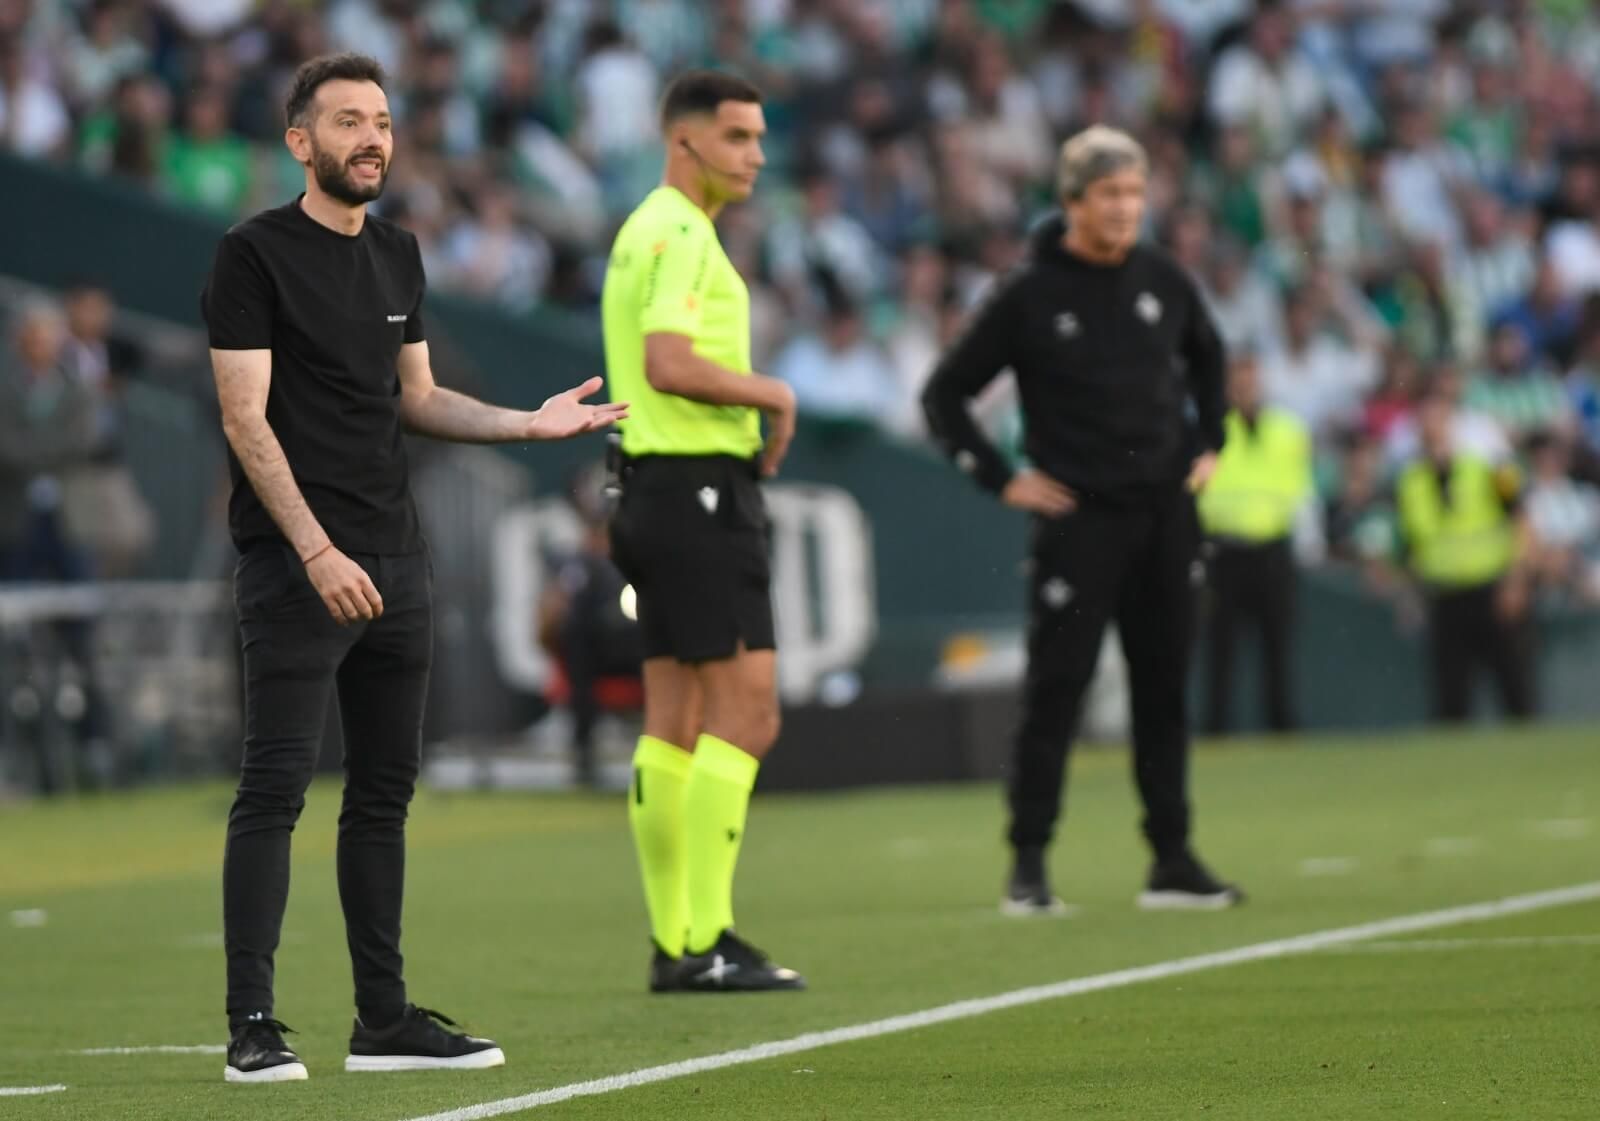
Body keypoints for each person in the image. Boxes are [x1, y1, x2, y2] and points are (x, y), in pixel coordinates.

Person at [201, 52, 626, 1084]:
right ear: (300, 142)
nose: (371, 138)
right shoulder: (251, 254)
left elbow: (419, 397)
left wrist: (529, 423)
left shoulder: (398, 252)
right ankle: (251, 1025)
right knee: (275, 786)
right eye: (347, 120)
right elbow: (244, 419)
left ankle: (381, 1019)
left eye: (382, 120)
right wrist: (313, 549)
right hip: (298, 562)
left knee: (385, 793)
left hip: (399, 555)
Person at [922, 125, 1244, 915]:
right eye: (1110, 193)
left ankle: (1171, 857)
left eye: (1135, 193)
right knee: (1057, 689)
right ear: (1071, 202)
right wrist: (1002, 479)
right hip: (1080, 518)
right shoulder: (1029, 293)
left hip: (1165, 512)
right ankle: (1028, 864)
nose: (1126, 208)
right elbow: (945, 395)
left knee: (1164, 687)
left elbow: (1211, 357)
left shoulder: (1163, 277)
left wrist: (1211, 441)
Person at [601, 70, 805, 992]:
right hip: (696, 491)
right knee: (747, 713)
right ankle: (705, 936)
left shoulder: (645, 228)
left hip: (648, 489)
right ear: (685, 142)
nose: (755, 155)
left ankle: (675, 937)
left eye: (759, 138)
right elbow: (668, 362)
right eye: (737, 138)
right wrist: (771, 390)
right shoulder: (681, 232)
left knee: (674, 719)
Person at [1395, 391, 1537, 722]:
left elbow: (1522, 520)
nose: (1432, 427)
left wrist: (1516, 582)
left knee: (1516, 692)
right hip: (1444, 595)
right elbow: (1411, 546)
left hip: (1492, 590)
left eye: (1438, 418)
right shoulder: (1409, 481)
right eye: (1425, 419)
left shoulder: (1488, 467)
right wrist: (1409, 594)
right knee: (1450, 701)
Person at [1197, 352, 1314, 735]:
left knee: (1276, 648)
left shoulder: (1287, 431)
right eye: (1238, 380)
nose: (1244, 388)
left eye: (1250, 379)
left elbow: (1301, 491)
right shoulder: (1210, 430)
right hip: (1223, 551)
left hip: (1271, 550)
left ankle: (1281, 727)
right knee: (1221, 650)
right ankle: (1217, 730)